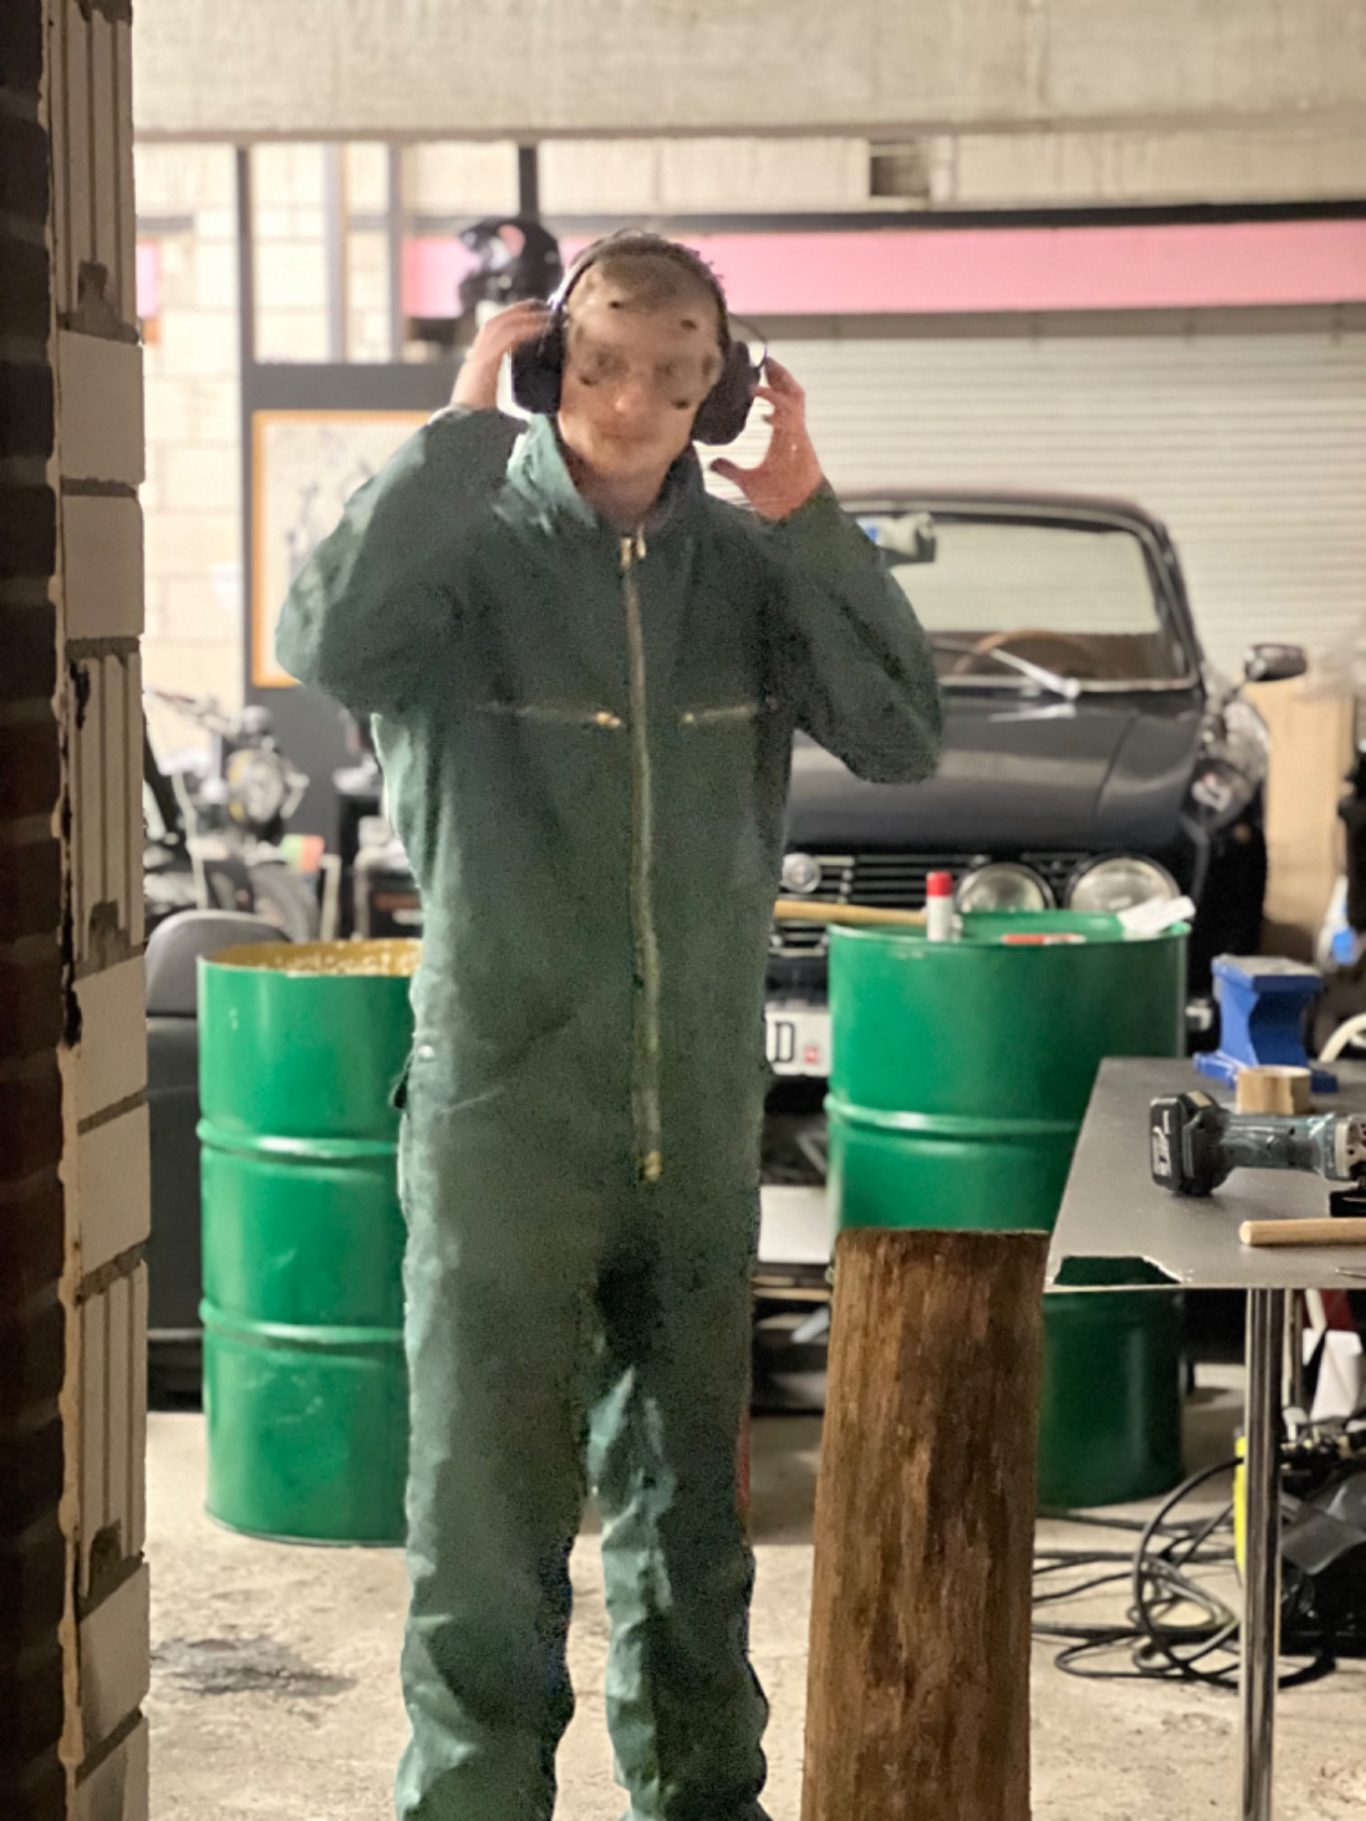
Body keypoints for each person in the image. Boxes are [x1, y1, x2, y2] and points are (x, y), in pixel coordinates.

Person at [276, 231, 942, 1821]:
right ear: (540, 365)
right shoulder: (459, 567)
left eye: (675, 374)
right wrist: (455, 437)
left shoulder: (750, 577)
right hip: (502, 1113)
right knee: (483, 1526)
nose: (635, 403)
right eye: (598, 366)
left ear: (723, 384)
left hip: (694, 1118)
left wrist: (808, 516)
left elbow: (904, 733)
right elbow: (322, 641)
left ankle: (701, 1798)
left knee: (692, 1523)